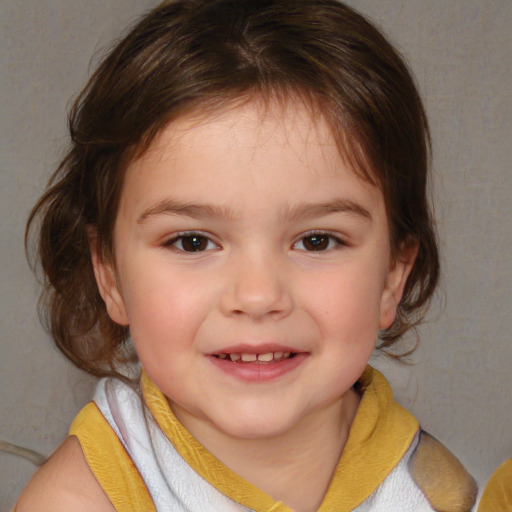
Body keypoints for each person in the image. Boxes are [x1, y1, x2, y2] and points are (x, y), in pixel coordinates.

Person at [16, 0, 478, 510]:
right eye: (192, 242)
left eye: (317, 240)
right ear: (110, 276)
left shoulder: (433, 488)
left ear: (393, 275)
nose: (258, 297)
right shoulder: (80, 501)